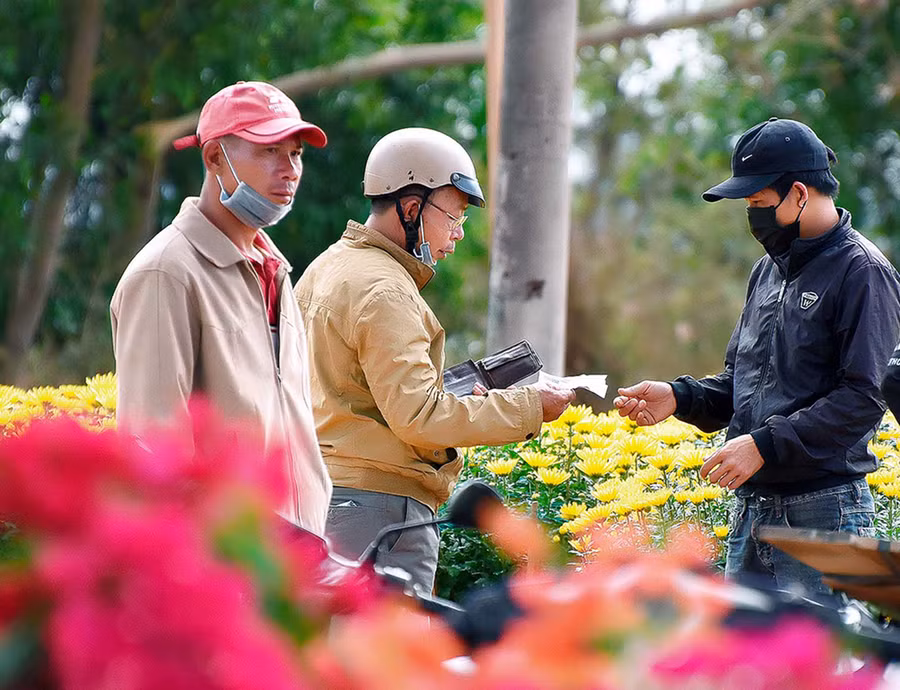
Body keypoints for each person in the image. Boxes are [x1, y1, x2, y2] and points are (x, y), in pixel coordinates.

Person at [614, 117, 900, 595]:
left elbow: (864, 399)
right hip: (752, 511)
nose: (753, 218)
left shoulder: (864, 273)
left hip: (825, 514)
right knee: (742, 667)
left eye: (759, 205)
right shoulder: (766, 271)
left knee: (824, 666)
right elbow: (742, 380)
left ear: (800, 194)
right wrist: (679, 398)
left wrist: (763, 445)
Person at [294, 127, 574, 591]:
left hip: (326, 496)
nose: (458, 234)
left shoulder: (328, 268)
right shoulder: (385, 290)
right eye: (454, 216)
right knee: (388, 660)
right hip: (381, 511)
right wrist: (530, 406)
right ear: (410, 207)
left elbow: (363, 393)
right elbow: (419, 415)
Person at [110, 81, 332, 535]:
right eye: (269, 150)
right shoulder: (165, 274)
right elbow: (153, 450)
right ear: (214, 158)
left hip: (298, 563)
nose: (289, 170)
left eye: (296, 154)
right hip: (225, 568)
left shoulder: (274, 271)